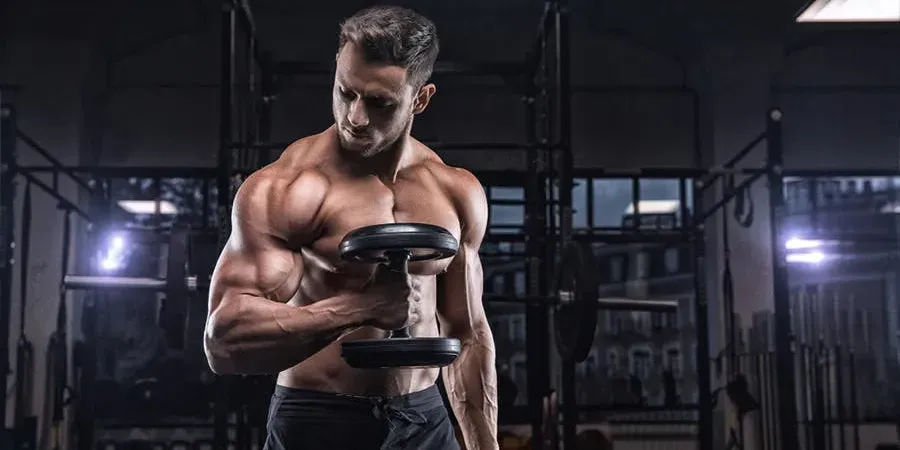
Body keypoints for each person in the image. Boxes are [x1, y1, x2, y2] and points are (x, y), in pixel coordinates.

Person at [203, 5, 498, 450]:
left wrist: (483, 442)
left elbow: (468, 330)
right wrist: (359, 307)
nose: (355, 117)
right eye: (346, 92)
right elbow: (223, 341)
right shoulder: (289, 188)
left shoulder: (456, 191)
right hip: (319, 415)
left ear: (420, 99)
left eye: (380, 103)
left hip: (423, 417)